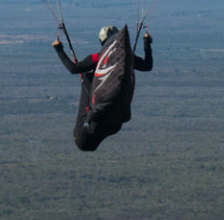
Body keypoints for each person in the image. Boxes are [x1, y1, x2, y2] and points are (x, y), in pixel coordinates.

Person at [53, 24, 153, 152]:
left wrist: (59, 49)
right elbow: (147, 65)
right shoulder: (128, 58)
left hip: (93, 126)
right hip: (115, 122)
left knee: (86, 78)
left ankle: (93, 114)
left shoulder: (98, 57)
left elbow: (73, 68)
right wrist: (147, 43)